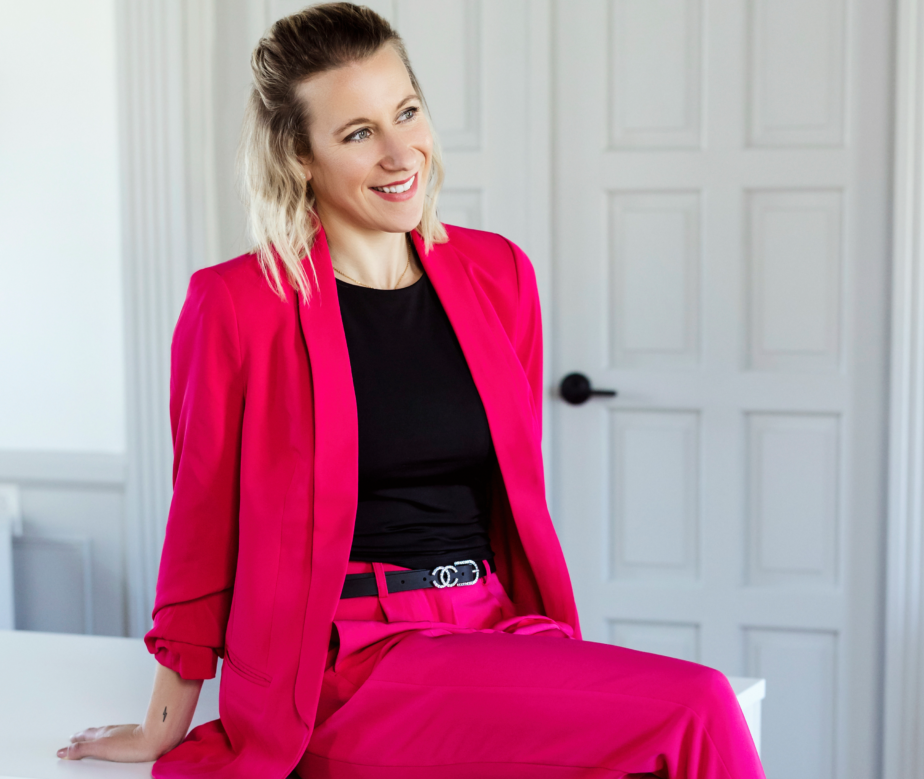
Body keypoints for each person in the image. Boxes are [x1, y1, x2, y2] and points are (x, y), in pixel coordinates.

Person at [56, 4, 765, 777]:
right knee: (697, 707)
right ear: (300, 155)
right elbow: (200, 521)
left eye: (407, 113)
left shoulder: (499, 277)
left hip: (495, 631)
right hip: (348, 660)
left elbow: (508, 491)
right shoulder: (236, 304)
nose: (402, 154)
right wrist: (165, 721)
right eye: (358, 133)